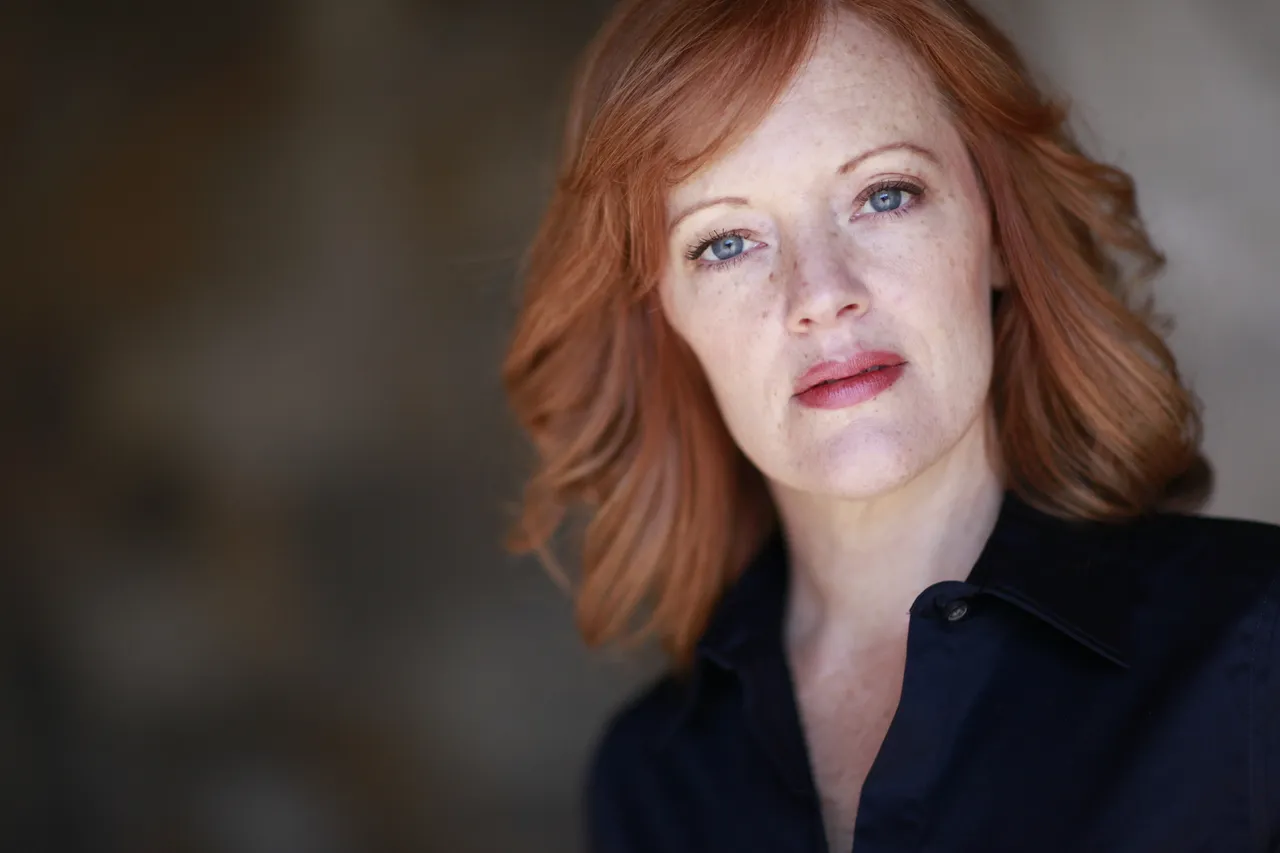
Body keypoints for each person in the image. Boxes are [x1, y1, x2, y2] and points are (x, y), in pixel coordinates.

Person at [501, 0, 1280, 850]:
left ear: (997, 234)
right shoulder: (652, 781)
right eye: (725, 242)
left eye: (884, 193)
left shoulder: (1255, 644)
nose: (821, 293)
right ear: (666, 317)